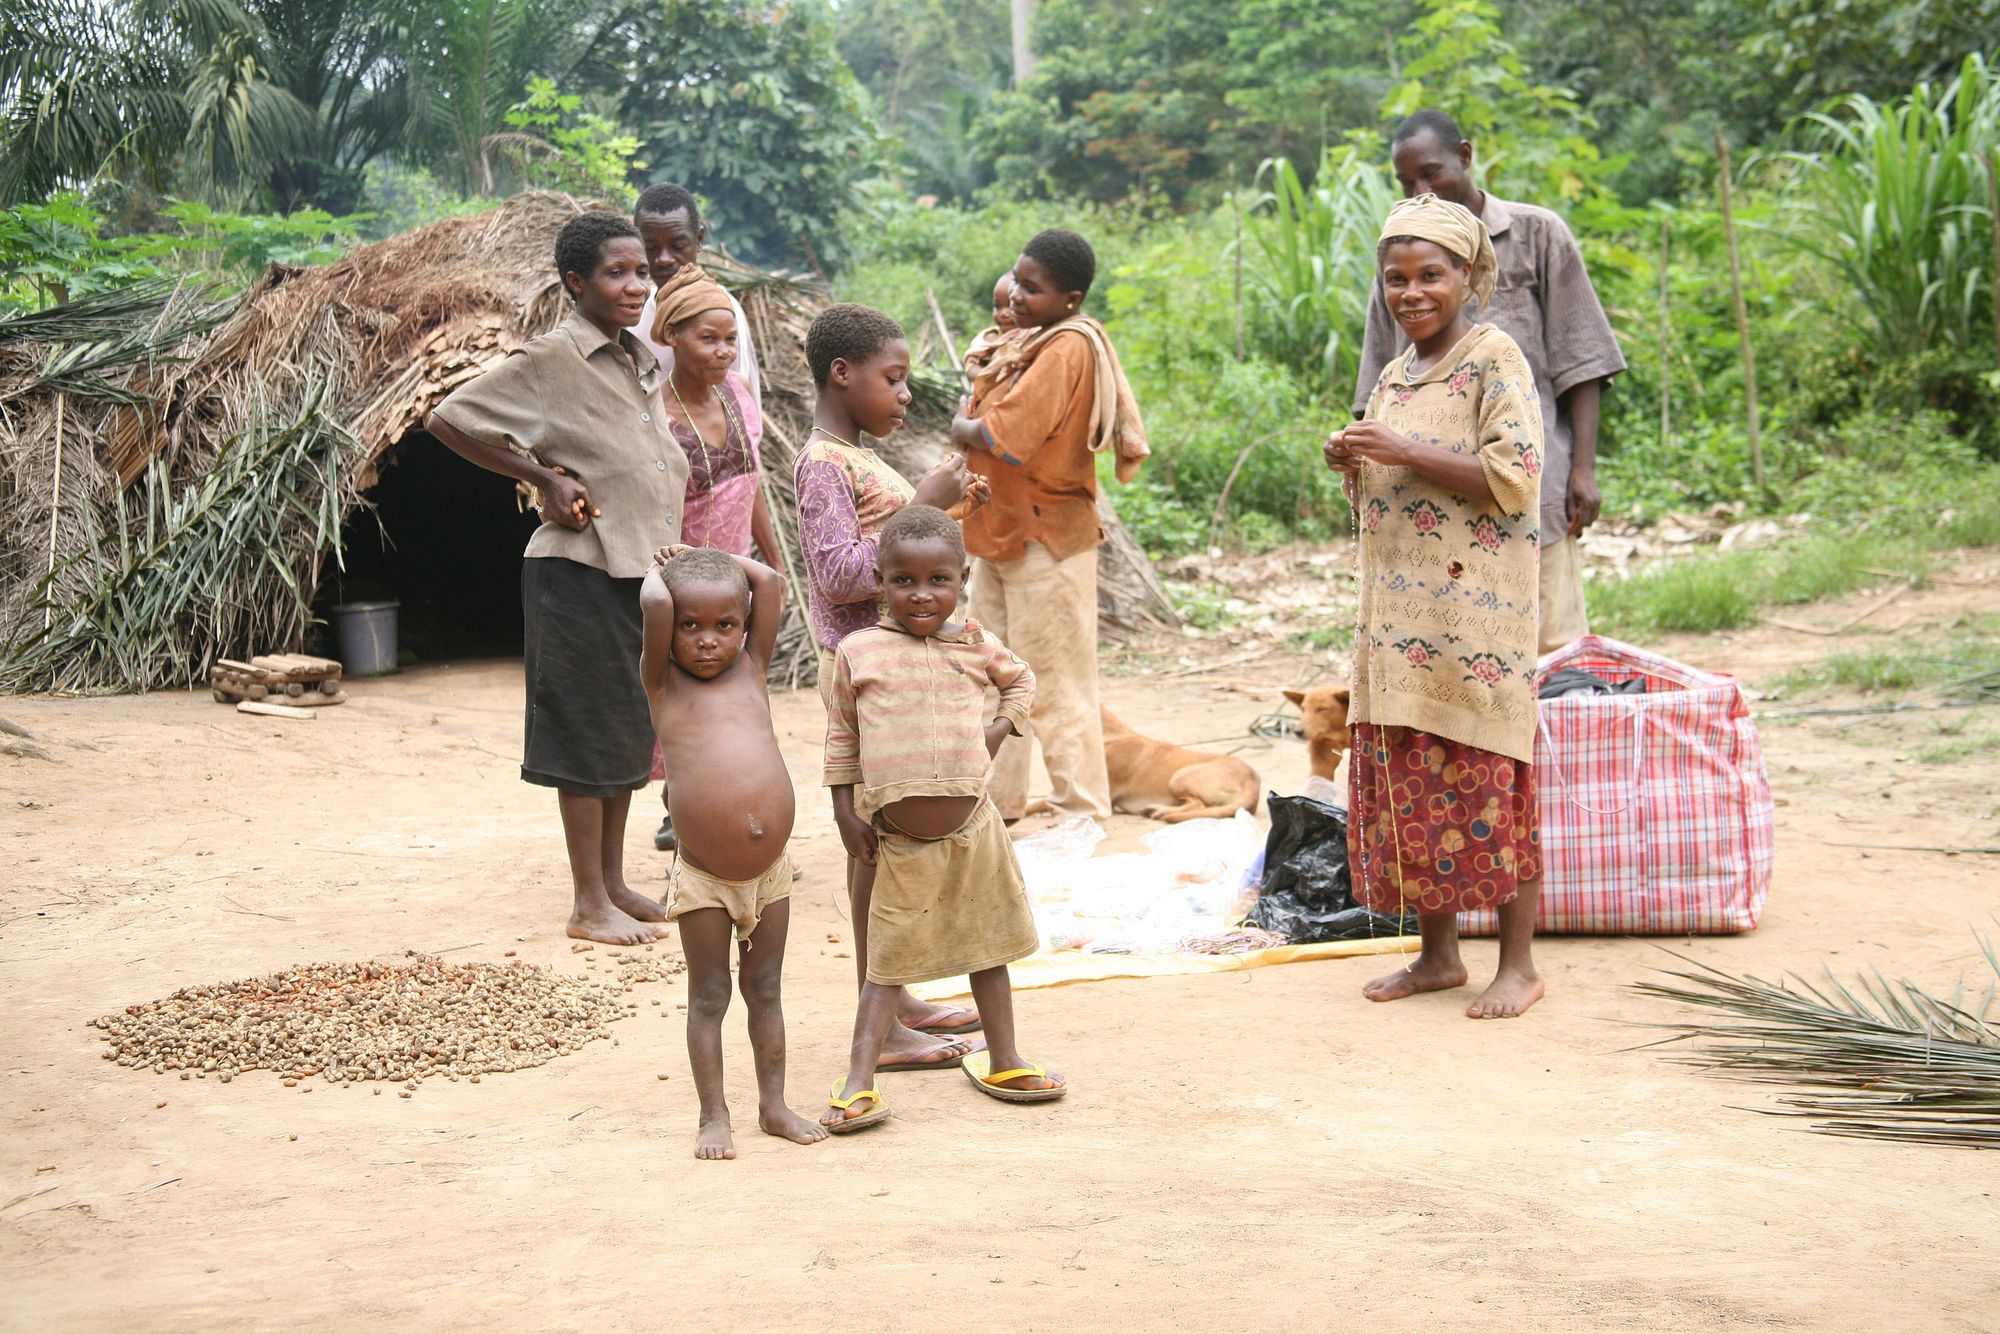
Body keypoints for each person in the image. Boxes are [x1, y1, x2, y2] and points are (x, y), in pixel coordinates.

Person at [427, 211, 681, 946]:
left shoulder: (640, 361)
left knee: (626, 731)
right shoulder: (551, 359)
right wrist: (540, 476)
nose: (638, 284)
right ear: (576, 282)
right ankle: (586, 903)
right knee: (583, 733)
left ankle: (614, 882)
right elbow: (452, 418)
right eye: (618, 272)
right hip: (580, 571)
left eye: (642, 272)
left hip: (642, 572)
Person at [1326, 193, 1546, 1019]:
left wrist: (1404, 449)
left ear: (1468, 275)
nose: (1411, 292)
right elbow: (1397, 475)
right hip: (1401, 626)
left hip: (1474, 625)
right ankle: (1437, 956)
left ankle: (1518, 965)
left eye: (1431, 276)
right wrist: (1354, 455)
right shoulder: (1394, 372)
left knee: (1494, 784)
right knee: (1415, 786)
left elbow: (1516, 474)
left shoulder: (1496, 358)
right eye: (1396, 278)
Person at [819, 505, 1067, 1132]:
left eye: (938, 580)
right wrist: (844, 810)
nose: (921, 594)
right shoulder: (859, 652)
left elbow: (1023, 682)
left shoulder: (977, 643)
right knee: (886, 961)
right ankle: (858, 1083)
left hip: (975, 828)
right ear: (879, 579)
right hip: (897, 838)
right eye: (904, 580)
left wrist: (998, 731)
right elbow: (842, 739)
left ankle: (1005, 1058)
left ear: (963, 578)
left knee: (990, 944)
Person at [795, 303, 992, 1067]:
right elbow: (840, 574)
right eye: (895, 379)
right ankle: (878, 1028)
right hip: (864, 675)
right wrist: (923, 503)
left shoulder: (852, 455)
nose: (906, 395)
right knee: (875, 844)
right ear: (843, 375)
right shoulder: (822, 463)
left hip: (893, 673)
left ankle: (896, 994)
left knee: (890, 836)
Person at [1352, 109, 1626, 657]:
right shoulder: (1402, 259)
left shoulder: (1537, 234)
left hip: (1532, 492)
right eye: (1407, 183)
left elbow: (1581, 359)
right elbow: (1376, 391)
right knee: (1459, 657)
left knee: (1549, 653)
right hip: (1434, 515)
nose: (1422, 191)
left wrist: (1583, 469)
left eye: (1431, 173)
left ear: (1466, 156)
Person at [948, 228, 1149, 824]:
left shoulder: (1066, 348)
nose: (1016, 298)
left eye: (1032, 290)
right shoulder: (1029, 344)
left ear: (1071, 298)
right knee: (993, 678)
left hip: (1045, 538)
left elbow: (1001, 435)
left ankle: (1080, 812)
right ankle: (998, 804)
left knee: (1056, 687)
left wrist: (965, 425)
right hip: (1003, 533)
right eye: (1017, 283)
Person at [641, 545, 825, 1158]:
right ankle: (712, 1114)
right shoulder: (661, 684)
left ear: (744, 628)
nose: (707, 641)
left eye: (725, 625)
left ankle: (773, 1105)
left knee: (766, 987)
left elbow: (768, 580)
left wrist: (709, 555)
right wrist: (661, 568)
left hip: (771, 874)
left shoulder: (753, 668)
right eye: (689, 626)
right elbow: (653, 602)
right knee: (710, 995)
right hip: (704, 879)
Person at [633, 185, 773, 852]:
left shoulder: (741, 397)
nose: (721, 351)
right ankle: (688, 815)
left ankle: (728, 811)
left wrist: (770, 558)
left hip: (739, 575)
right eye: (707, 340)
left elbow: (755, 482)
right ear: (672, 338)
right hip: (686, 581)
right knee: (687, 702)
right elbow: (652, 501)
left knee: (736, 700)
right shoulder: (654, 412)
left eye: (727, 340)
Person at [959, 271, 1019, 382]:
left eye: (1011, 305)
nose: (1003, 313)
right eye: (998, 306)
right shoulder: (989, 338)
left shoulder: (1034, 335)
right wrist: (989, 378)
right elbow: (971, 366)